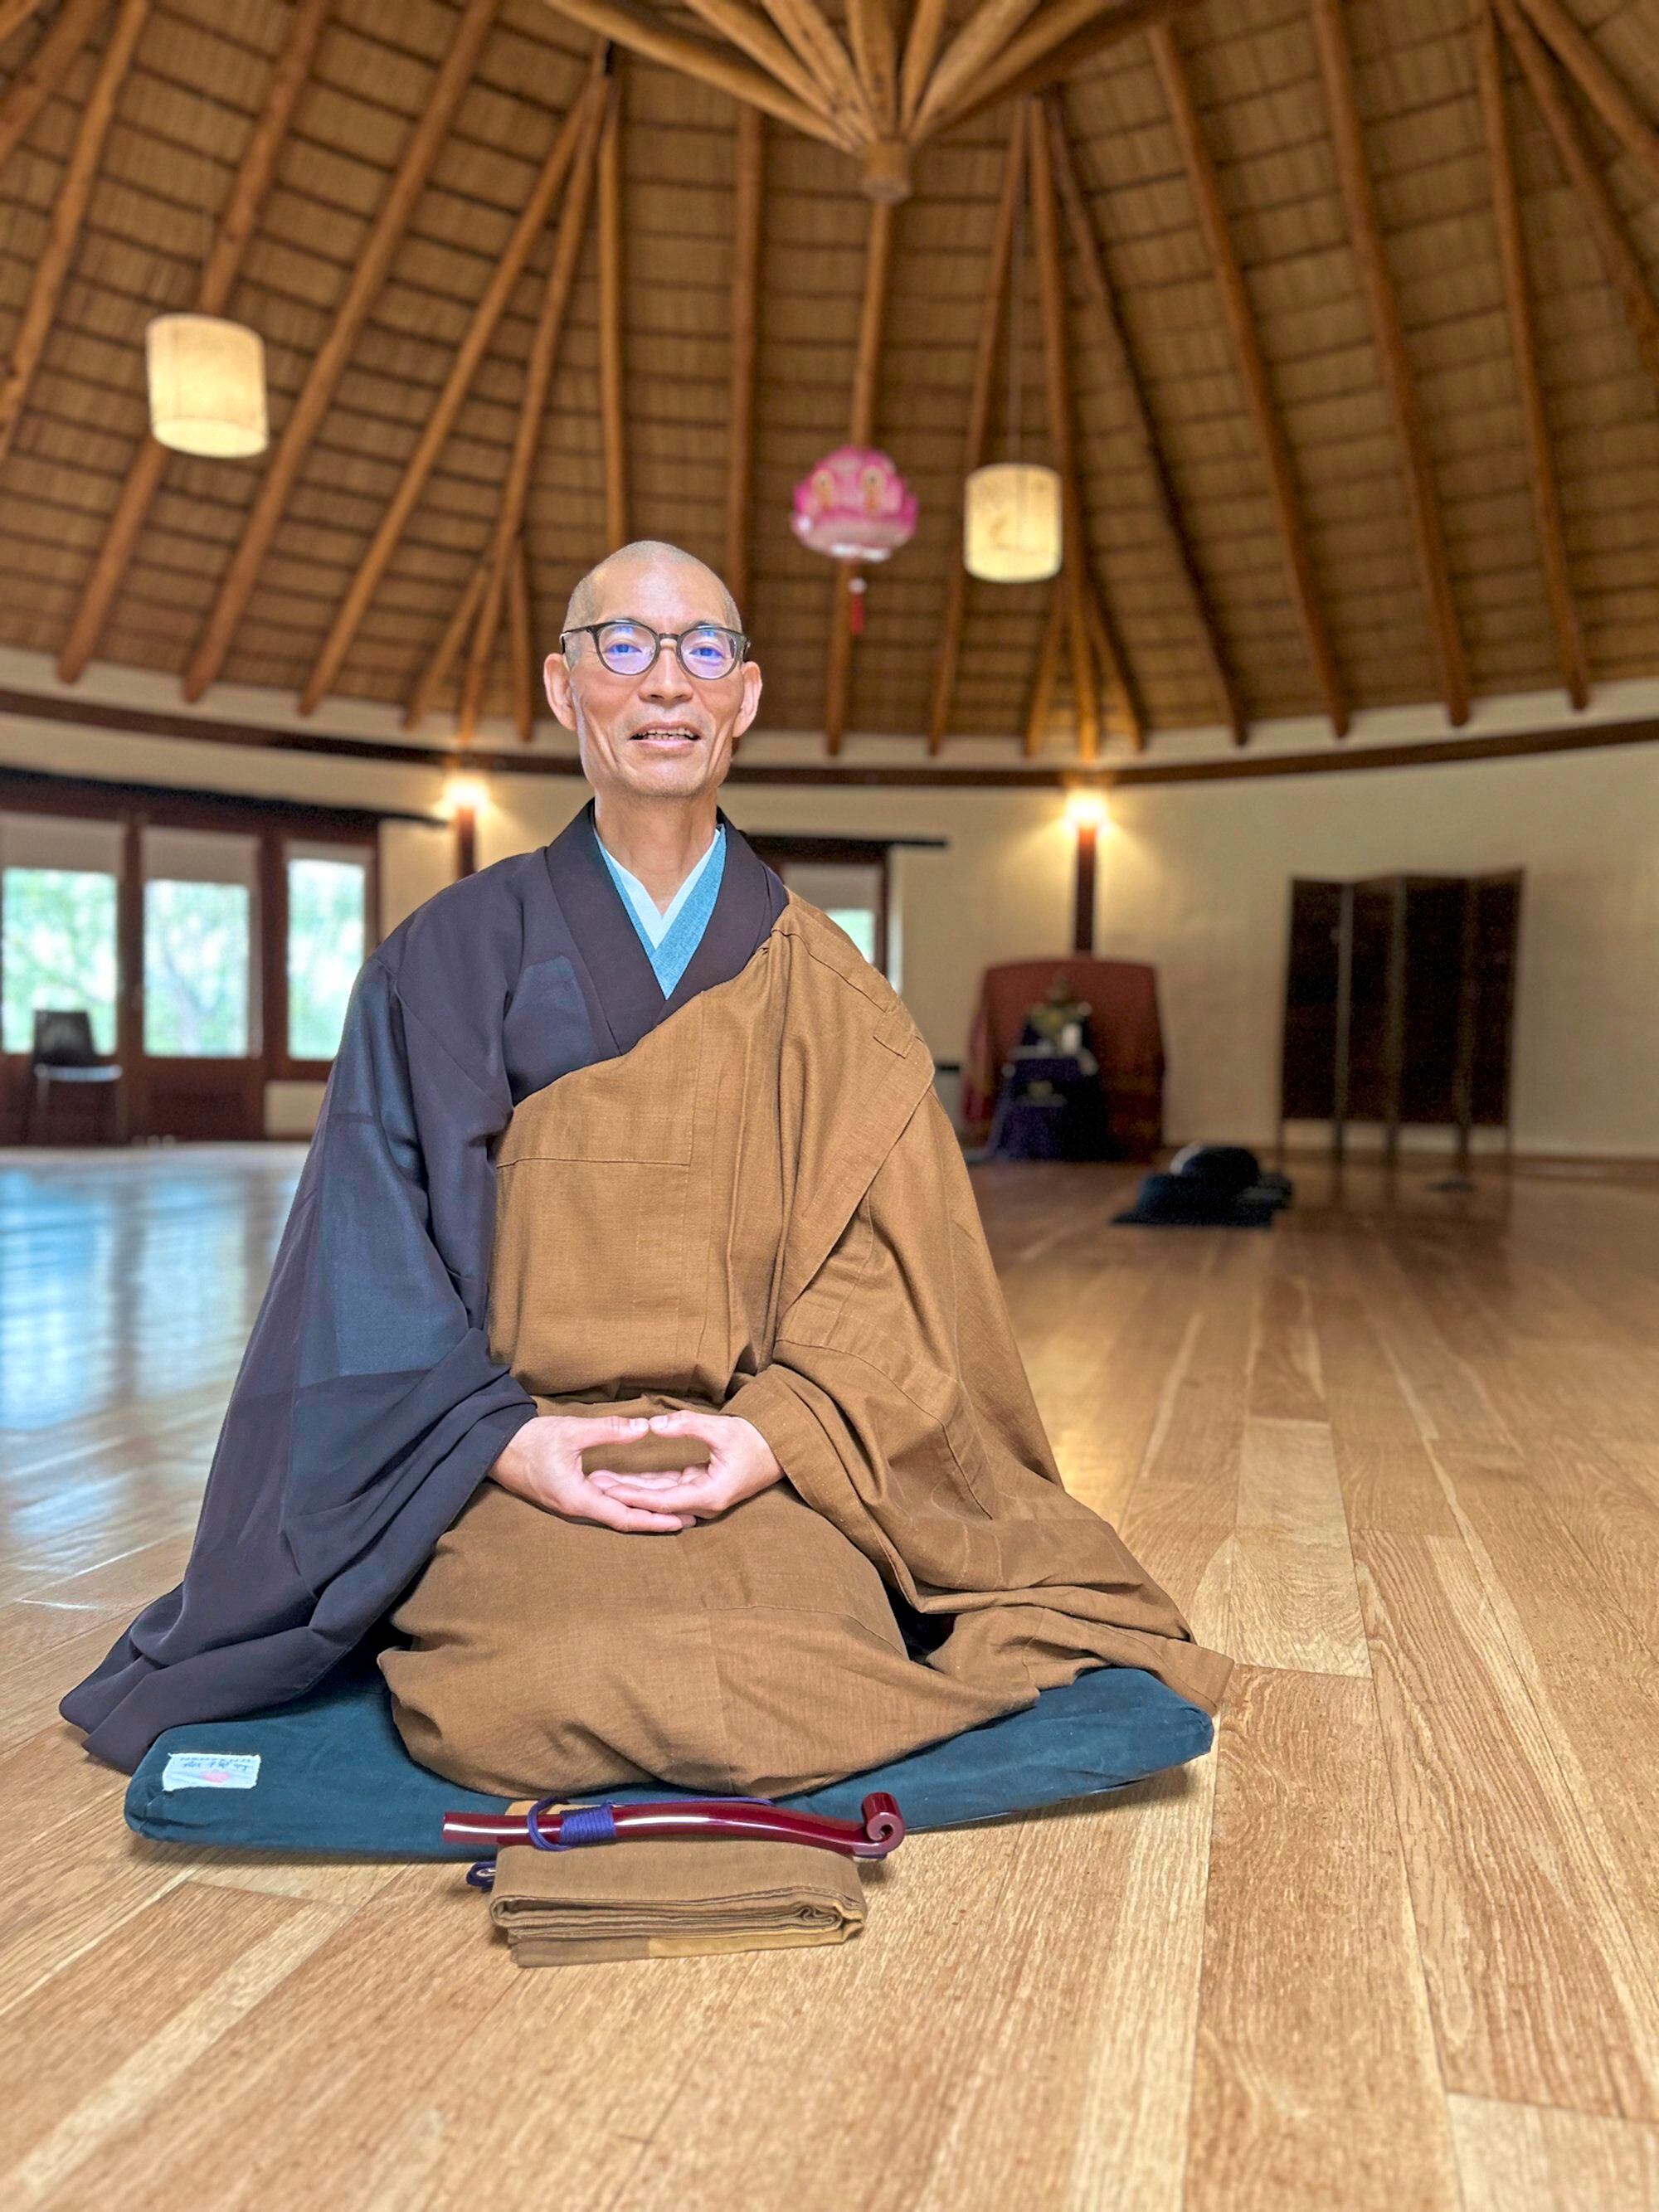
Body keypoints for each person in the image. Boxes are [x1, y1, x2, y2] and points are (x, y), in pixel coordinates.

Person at [63, 541, 1230, 1794]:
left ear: (746, 697)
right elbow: (367, 1264)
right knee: (532, 1696)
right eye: (624, 645)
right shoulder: (445, 959)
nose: (666, 684)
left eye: (703, 650)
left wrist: (775, 1438)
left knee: (781, 1668)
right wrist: (502, 1444)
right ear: (568, 690)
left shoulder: (834, 992)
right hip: (512, 1453)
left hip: (752, 1453)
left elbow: (893, 1282)